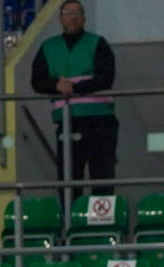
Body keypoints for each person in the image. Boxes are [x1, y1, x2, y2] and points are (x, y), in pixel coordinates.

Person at [31, 0, 118, 196]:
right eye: (68, 13)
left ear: (84, 18)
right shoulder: (49, 47)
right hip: (67, 122)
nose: (73, 17)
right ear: (60, 19)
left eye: (78, 13)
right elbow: (37, 81)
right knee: (69, 180)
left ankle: (102, 215)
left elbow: (106, 78)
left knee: (102, 177)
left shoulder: (98, 43)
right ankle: (71, 215)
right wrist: (56, 85)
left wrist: (74, 88)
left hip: (100, 121)